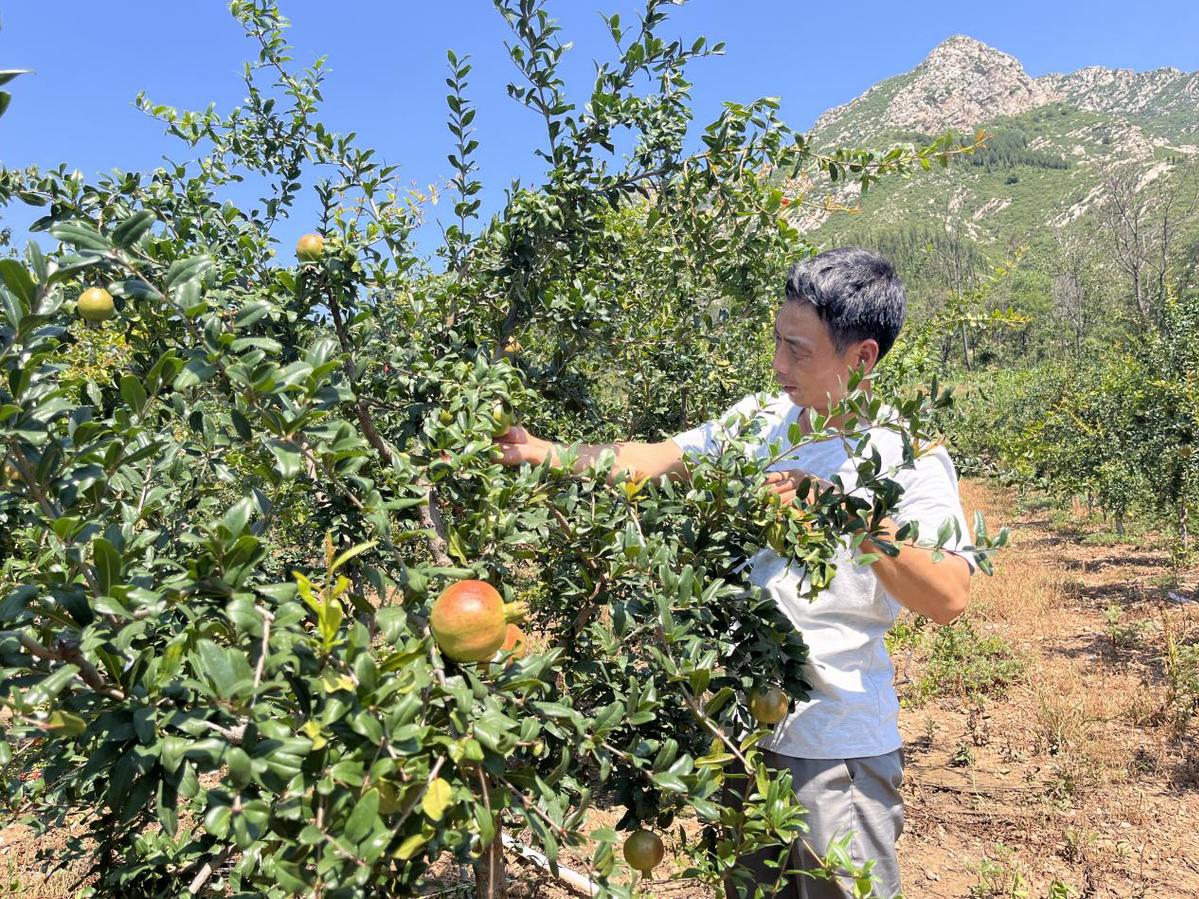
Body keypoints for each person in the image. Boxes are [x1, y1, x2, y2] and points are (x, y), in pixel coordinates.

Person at [493, 247, 975, 898]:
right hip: (740, 741)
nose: (778, 365)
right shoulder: (757, 423)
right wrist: (543, 451)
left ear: (860, 358)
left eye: (798, 350)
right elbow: (652, 459)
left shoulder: (904, 457)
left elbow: (947, 592)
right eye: (777, 341)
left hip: (833, 755)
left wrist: (840, 510)